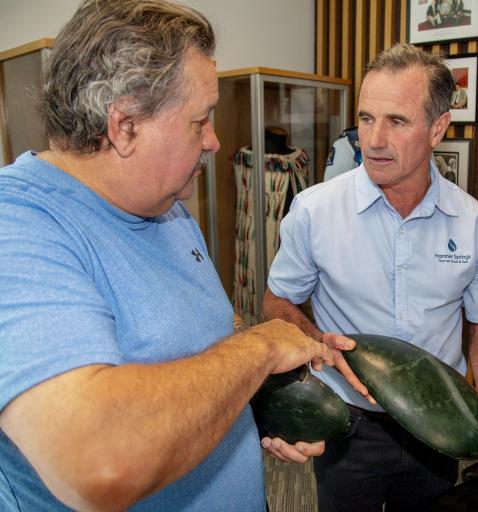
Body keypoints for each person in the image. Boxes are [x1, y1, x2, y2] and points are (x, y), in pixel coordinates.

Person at [0, 1, 349, 511]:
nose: (214, 141)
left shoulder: (167, 206)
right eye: (200, 121)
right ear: (124, 128)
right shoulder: (20, 225)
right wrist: (261, 350)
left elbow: (203, 330)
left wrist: (260, 400)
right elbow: (97, 461)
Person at [262, 43, 478, 512]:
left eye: (396, 121)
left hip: (438, 426)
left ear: (438, 128)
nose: (373, 139)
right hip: (349, 422)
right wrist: (318, 342)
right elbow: (277, 303)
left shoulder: (472, 222)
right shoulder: (315, 211)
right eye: (365, 118)